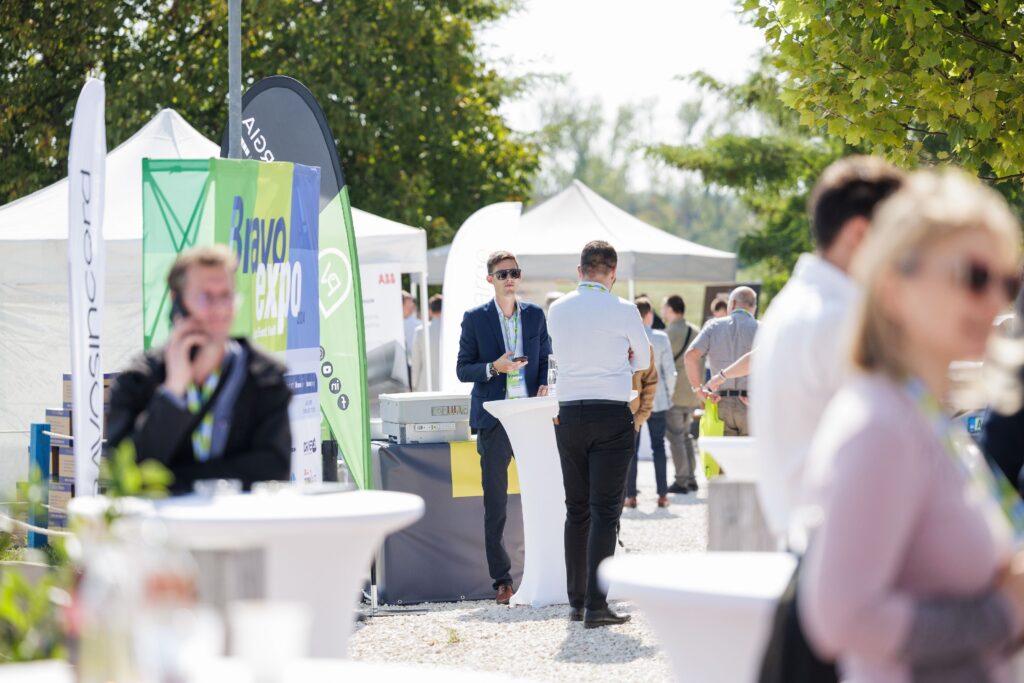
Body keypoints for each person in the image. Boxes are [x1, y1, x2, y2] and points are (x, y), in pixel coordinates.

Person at [799, 169, 1024, 682]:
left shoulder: (920, 414)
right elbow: (842, 618)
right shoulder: (881, 426)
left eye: (1008, 282)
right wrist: (1002, 614)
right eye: (974, 276)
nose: (996, 301)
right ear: (894, 285)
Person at [746, 155, 905, 544]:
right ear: (860, 235)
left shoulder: (800, 304)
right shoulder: (839, 319)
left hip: (818, 538)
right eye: (901, 239)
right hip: (845, 543)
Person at [106, 245, 291, 494]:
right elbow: (126, 475)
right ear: (178, 301)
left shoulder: (266, 378)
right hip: (165, 521)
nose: (219, 308)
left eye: (226, 296)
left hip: (239, 520)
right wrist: (172, 392)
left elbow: (273, 469)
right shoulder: (137, 381)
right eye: (206, 297)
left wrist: (175, 480)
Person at [547, 240, 651, 628]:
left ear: (580, 271)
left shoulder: (557, 309)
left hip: (569, 412)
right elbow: (643, 358)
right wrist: (623, 355)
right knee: (605, 512)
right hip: (610, 412)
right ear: (613, 272)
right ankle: (596, 604)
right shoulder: (623, 309)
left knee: (576, 509)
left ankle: (576, 601)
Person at [456, 251, 551, 605]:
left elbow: (546, 357)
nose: (509, 279)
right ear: (490, 280)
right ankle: (502, 581)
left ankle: (547, 569)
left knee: (542, 494)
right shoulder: (475, 319)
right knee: (495, 504)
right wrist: (494, 368)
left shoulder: (536, 315)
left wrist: (545, 384)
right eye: (502, 274)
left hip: (531, 416)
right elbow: (463, 369)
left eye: (514, 273)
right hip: (494, 419)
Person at [684, 286, 759, 436]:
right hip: (752, 404)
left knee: (722, 450)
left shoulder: (713, 326)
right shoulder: (763, 329)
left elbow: (690, 355)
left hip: (719, 402)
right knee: (750, 451)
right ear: (754, 307)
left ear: (733, 303)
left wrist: (699, 391)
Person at [625, 297, 675, 508]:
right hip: (658, 399)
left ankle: (630, 495)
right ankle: (662, 494)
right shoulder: (661, 338)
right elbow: (669, 372)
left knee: (632, 451)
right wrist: (669, 394)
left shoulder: (626, 338)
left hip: (634, 401)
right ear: (648, 315)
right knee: (659, 448)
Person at [662, 294, 702, 494]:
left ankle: (681, 480)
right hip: (692, 392)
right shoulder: (696, 331)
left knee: (676, 437)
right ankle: (692, 478)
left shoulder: (668, 334)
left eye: (664, 307)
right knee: (686, 436)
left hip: (675, 393)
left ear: (670, 309)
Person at [624, 345, 657, 509]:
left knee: (630, 458)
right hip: (600, 414)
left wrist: (641, 416)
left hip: (631, 415)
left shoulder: (643, 346)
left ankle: (630, 495)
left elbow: (650, 382)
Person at [411, 294, 442, 392]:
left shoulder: (420, 331)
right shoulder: (455, 330)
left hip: (425, 386)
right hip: (449, 385)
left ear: (430, 311)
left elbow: (416, 362)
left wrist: (414, 385)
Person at [402, 290, 419, 383]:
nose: (412, 307)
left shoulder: (415, 324)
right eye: (409, 305)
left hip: (411, 367)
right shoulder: (394, 324)